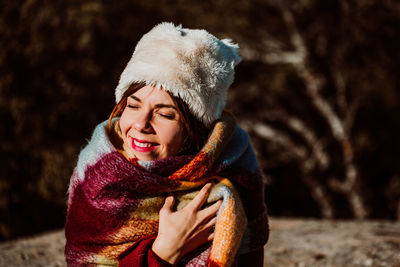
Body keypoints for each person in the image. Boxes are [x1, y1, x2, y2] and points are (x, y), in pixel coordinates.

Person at [65, 22, 268, 267]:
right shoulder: (97, 174)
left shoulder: (236, 169)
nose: (141, 124)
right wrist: (164, 252)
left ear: (196, 128)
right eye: (133, 104)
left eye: (165, 114)